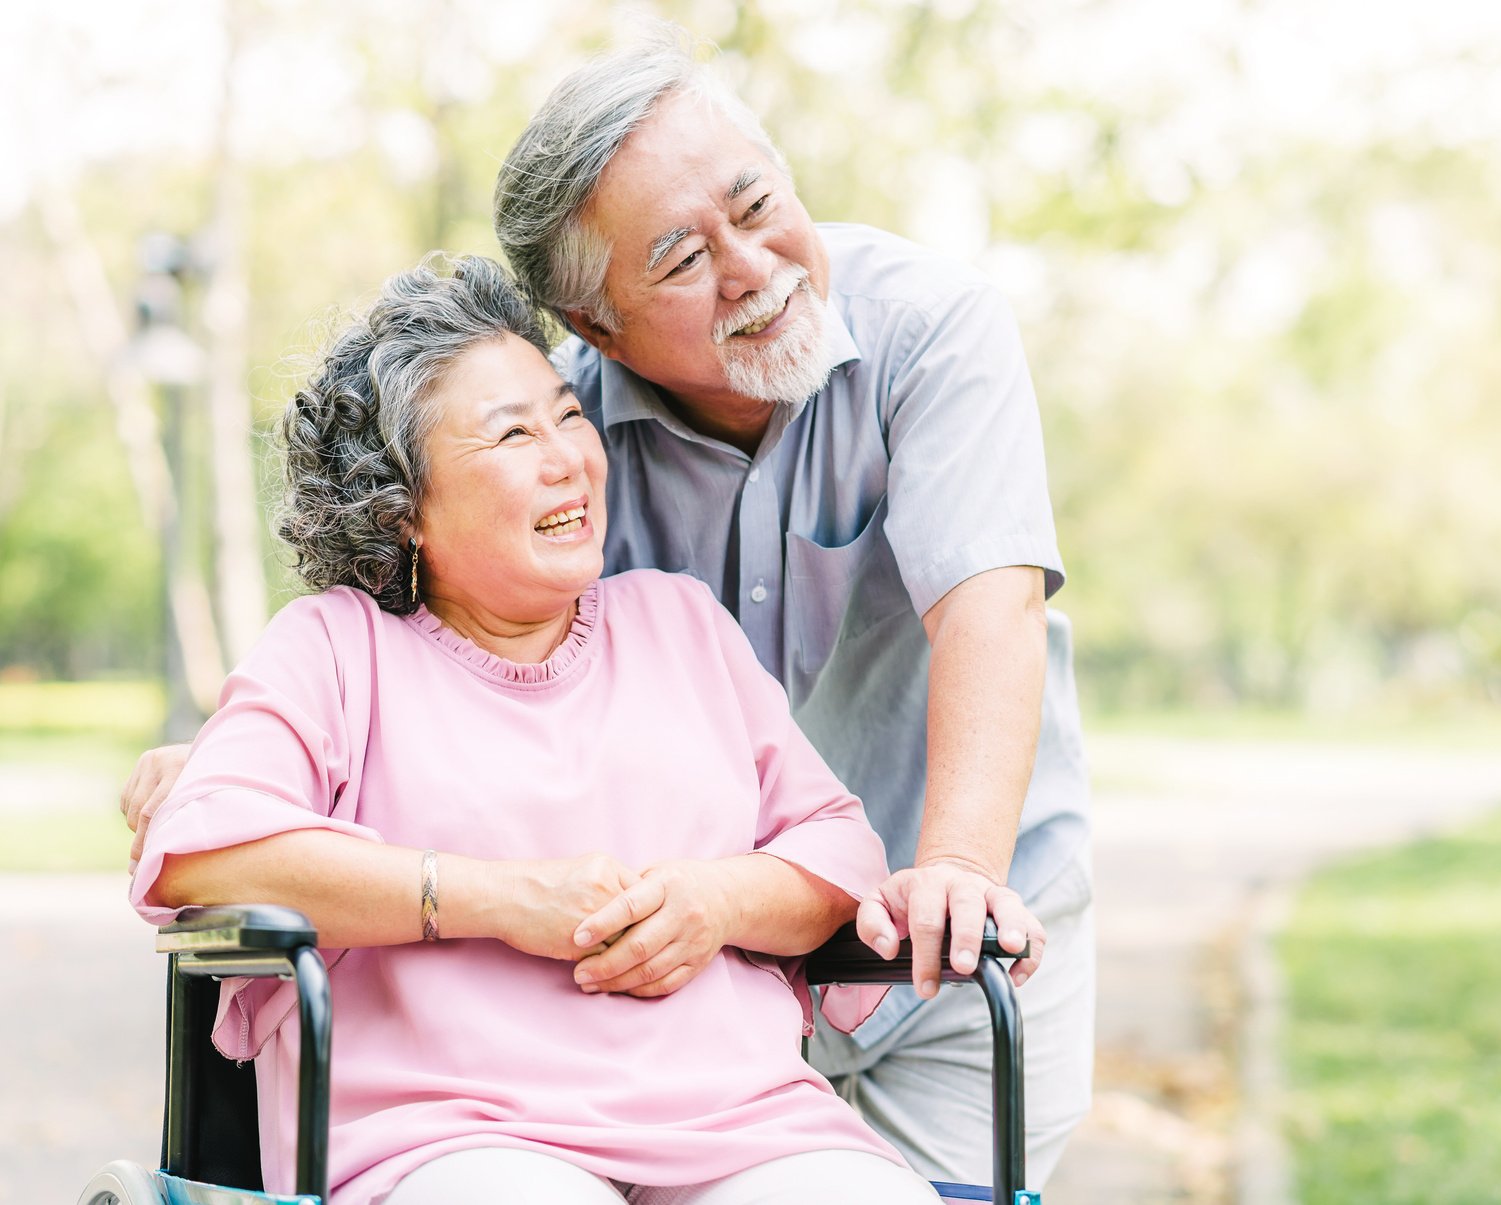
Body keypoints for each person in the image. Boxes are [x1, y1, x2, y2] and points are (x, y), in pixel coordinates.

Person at [125, 22, 1094, 1188]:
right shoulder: (549, 425)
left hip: (909, 937)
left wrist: (937, 869)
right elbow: (372, 664)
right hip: (482, 1112)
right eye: (682, 259)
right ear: (598, 330)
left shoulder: (920, 341)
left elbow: (982, 620)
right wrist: (244, 754)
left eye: (756, 204)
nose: (750, 266)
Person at [129, 254, 942, 1205]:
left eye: (566, 414)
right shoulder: (335, 648)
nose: (569, 456)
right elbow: (202, 857)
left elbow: (838, 845)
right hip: (451, 1134)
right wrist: (497, 899)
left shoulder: (679, 623)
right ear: (402, 510)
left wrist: (715, 901)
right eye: (512, 434)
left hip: (740, 1121)